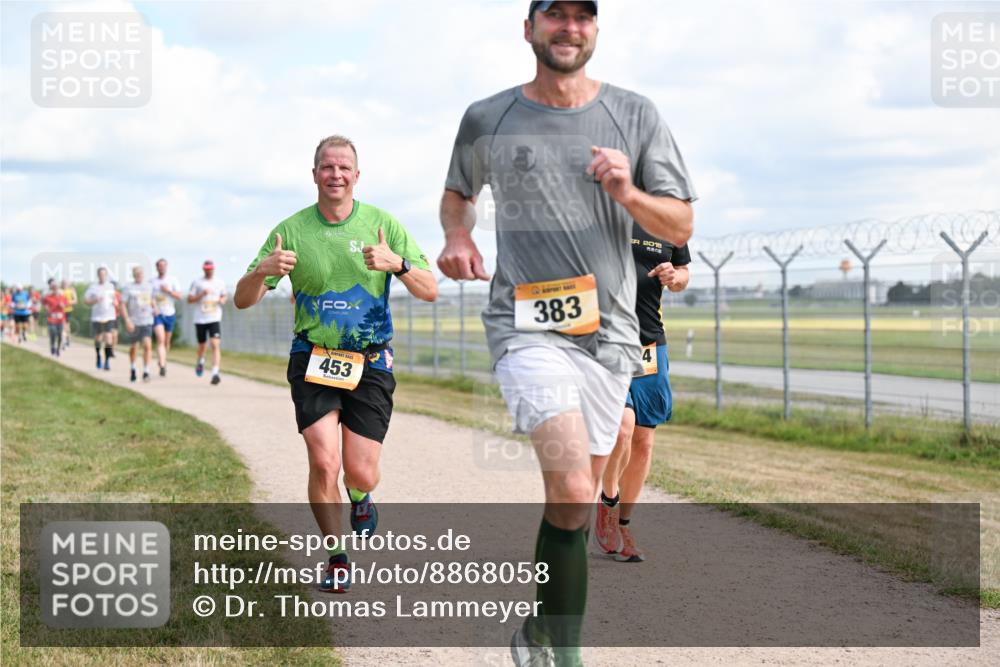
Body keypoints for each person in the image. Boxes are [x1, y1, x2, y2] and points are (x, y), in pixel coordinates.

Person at [437, 2, 695, 664]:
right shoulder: (488, 116)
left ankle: (540, 630)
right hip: (526, 324)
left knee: (571, 505)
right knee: (578, 489)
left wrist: (628, 192)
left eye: (583, 17)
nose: (569, 28)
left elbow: (681, 225)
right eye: (555, 15)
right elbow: (459, 191)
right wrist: (457, 234)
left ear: (595, 32)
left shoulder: (635, 115)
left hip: (610, 336)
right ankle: (568, 654)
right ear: (530, 29)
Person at [235, 135, 437, 594]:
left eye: (344, 167)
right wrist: (262, 270)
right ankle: (337, 557)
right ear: (314, 175)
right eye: (327, 167)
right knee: (325, 463)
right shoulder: (290, 231)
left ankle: (362, 495)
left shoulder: (384, 224)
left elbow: (430, 289)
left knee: (360, 470)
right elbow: (242, 301)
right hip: (313, 357)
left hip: (370, 360)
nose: (336, 174)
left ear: (357, 175)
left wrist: (397, 264)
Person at [594, 238, 690, 563]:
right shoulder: (602, 206)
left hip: (650, 344)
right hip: (605, 340)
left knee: (643, 441)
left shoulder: (669, 220)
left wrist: (675, 278)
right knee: (622, 427)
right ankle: (609, 500)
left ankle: (624, 524)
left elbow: (683, 273)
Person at [187, 260, 227, 385]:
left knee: (215, 344)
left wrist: (221, 300)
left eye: (211, 268)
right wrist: (201, 294)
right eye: (207, 268)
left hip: (214, 317)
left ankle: (215, 372)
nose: (209, 270)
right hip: (200, 318)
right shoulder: (197, 282)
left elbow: (224, 296)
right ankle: (200, 360)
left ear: (213, 269)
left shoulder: (219, 282)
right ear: (203, 269)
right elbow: (190, 299)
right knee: (202, 346)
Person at [121, 265, 157, 382]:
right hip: (134, 321)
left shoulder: (149, 286)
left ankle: (146, 371)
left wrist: (155, 307)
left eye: (141, 274)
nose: (139, 276)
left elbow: (152, 299)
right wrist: (127, 320)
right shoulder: (128, 287)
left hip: (147, 320)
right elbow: (122, 304)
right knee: (134, 347)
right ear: (133, 275)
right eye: (136, 274)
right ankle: (133, 368)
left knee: (147, 345)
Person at [151, 258, 183, 376]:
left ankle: (163, 359)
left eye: (163, 266)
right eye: (159, 266)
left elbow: (179, 296)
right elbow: (149, 298)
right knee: (160, 339)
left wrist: (168, 291)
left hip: (170, 313)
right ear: (157, 268)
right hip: (157, 314)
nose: (161, 268)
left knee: (166, 342)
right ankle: (163, 365)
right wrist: (154, 308)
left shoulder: (172, 280)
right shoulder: (152, 282)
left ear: (166, 267)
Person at [84, 267, 118, 370]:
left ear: (106, 275)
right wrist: (95, 300)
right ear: (98, 275)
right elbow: (86, 301)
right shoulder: (93, 287)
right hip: (97, 317)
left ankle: (107, 361)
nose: (102, 276)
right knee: (98, 339)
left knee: (108, 337)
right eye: (100, 274)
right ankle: (98, 356)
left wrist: (115, 302)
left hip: (109, 315)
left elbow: (115, 299)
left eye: (104, 274)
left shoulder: (111, 286)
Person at [42, 279, 68, 357]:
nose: (55, 289)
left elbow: (65, 305)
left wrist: (62, 305)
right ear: (52, 288)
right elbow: (44, 304)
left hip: (60, 319)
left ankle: (58, 349)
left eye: (56, 288)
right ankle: (53, 345)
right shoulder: (48, 297)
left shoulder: (62, 297)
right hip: (51, 319)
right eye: (54, 288)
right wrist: (46, 308)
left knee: (60, 335)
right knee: (53, 333)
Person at [61, 280, 78, 348]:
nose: (64, 284)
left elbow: (75, 301)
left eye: (66, 283)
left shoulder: (71, 290)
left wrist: (67, 303)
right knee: (63, 326)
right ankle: (63, 341)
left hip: (68, 310)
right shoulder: (60, 291)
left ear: (68, 284)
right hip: (61, 311)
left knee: (67, 326)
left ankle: (67, 339)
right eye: (63, 283)